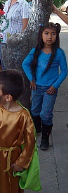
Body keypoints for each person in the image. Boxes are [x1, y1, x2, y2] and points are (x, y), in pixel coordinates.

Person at [22, 22, 67, 150]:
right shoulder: (35, 51)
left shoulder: (59, 53)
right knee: (35, 111)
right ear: (41, 35)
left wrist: (55, 86)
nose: (49, 37)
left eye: (53, 34)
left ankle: (45, 139)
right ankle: (38, 130)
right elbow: (25, 64)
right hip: (36, 88)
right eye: (46, 33)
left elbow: (64, 70)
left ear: (56, 36)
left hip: (50, 89)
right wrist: (32, 79)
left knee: (45, 114)